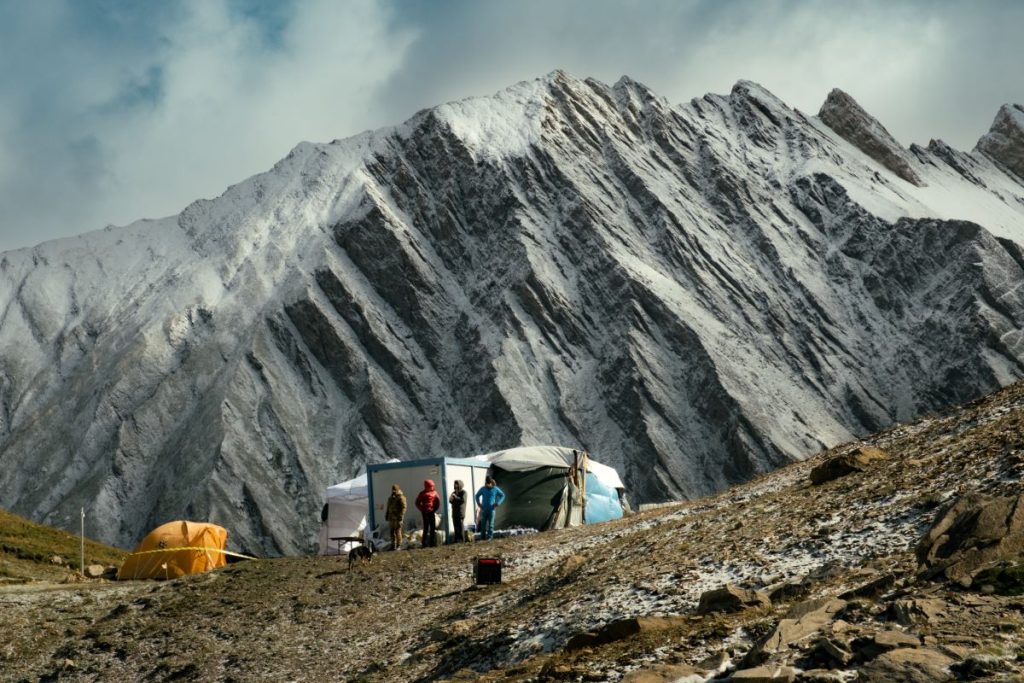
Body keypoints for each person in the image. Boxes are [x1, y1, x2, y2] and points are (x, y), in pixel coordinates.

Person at [475, 476, 506, 541]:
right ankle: (482, 537)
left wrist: (498, 503)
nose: (487, 485)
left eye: (488, 484)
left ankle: (490, 537)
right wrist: (479, 504)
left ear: (491, 483)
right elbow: (477, 495)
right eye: (486, 483)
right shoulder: (483, 489)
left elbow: (502, 495)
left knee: (491, 524)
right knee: (483, 524)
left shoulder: (495, 489)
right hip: (484, 509)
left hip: (492, 509)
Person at [415, 479, 441, 548]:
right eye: (430, 486)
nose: (432, 488)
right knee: (426, 528)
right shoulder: (422, 493)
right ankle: (424, 543)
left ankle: (432, 543)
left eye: (432, 486)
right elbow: (417, 502)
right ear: (426, 486)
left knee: (432, 527)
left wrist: (434, 509)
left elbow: (438, 502)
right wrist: (422, 509)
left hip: (431, 512)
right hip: (425, 512)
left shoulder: (435, 493)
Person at [385, 484, 407, 550]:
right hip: (391, 517)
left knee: (398, 531)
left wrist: (401, 515)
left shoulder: (401, 497)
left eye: (395, 490)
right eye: (393, 490)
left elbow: (404, 507)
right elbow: (388, 507)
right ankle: (393, 545)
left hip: (398, 517)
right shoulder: (390, 498)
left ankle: (399, 545)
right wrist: (387, 514)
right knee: (392, 531)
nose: (394, 491)